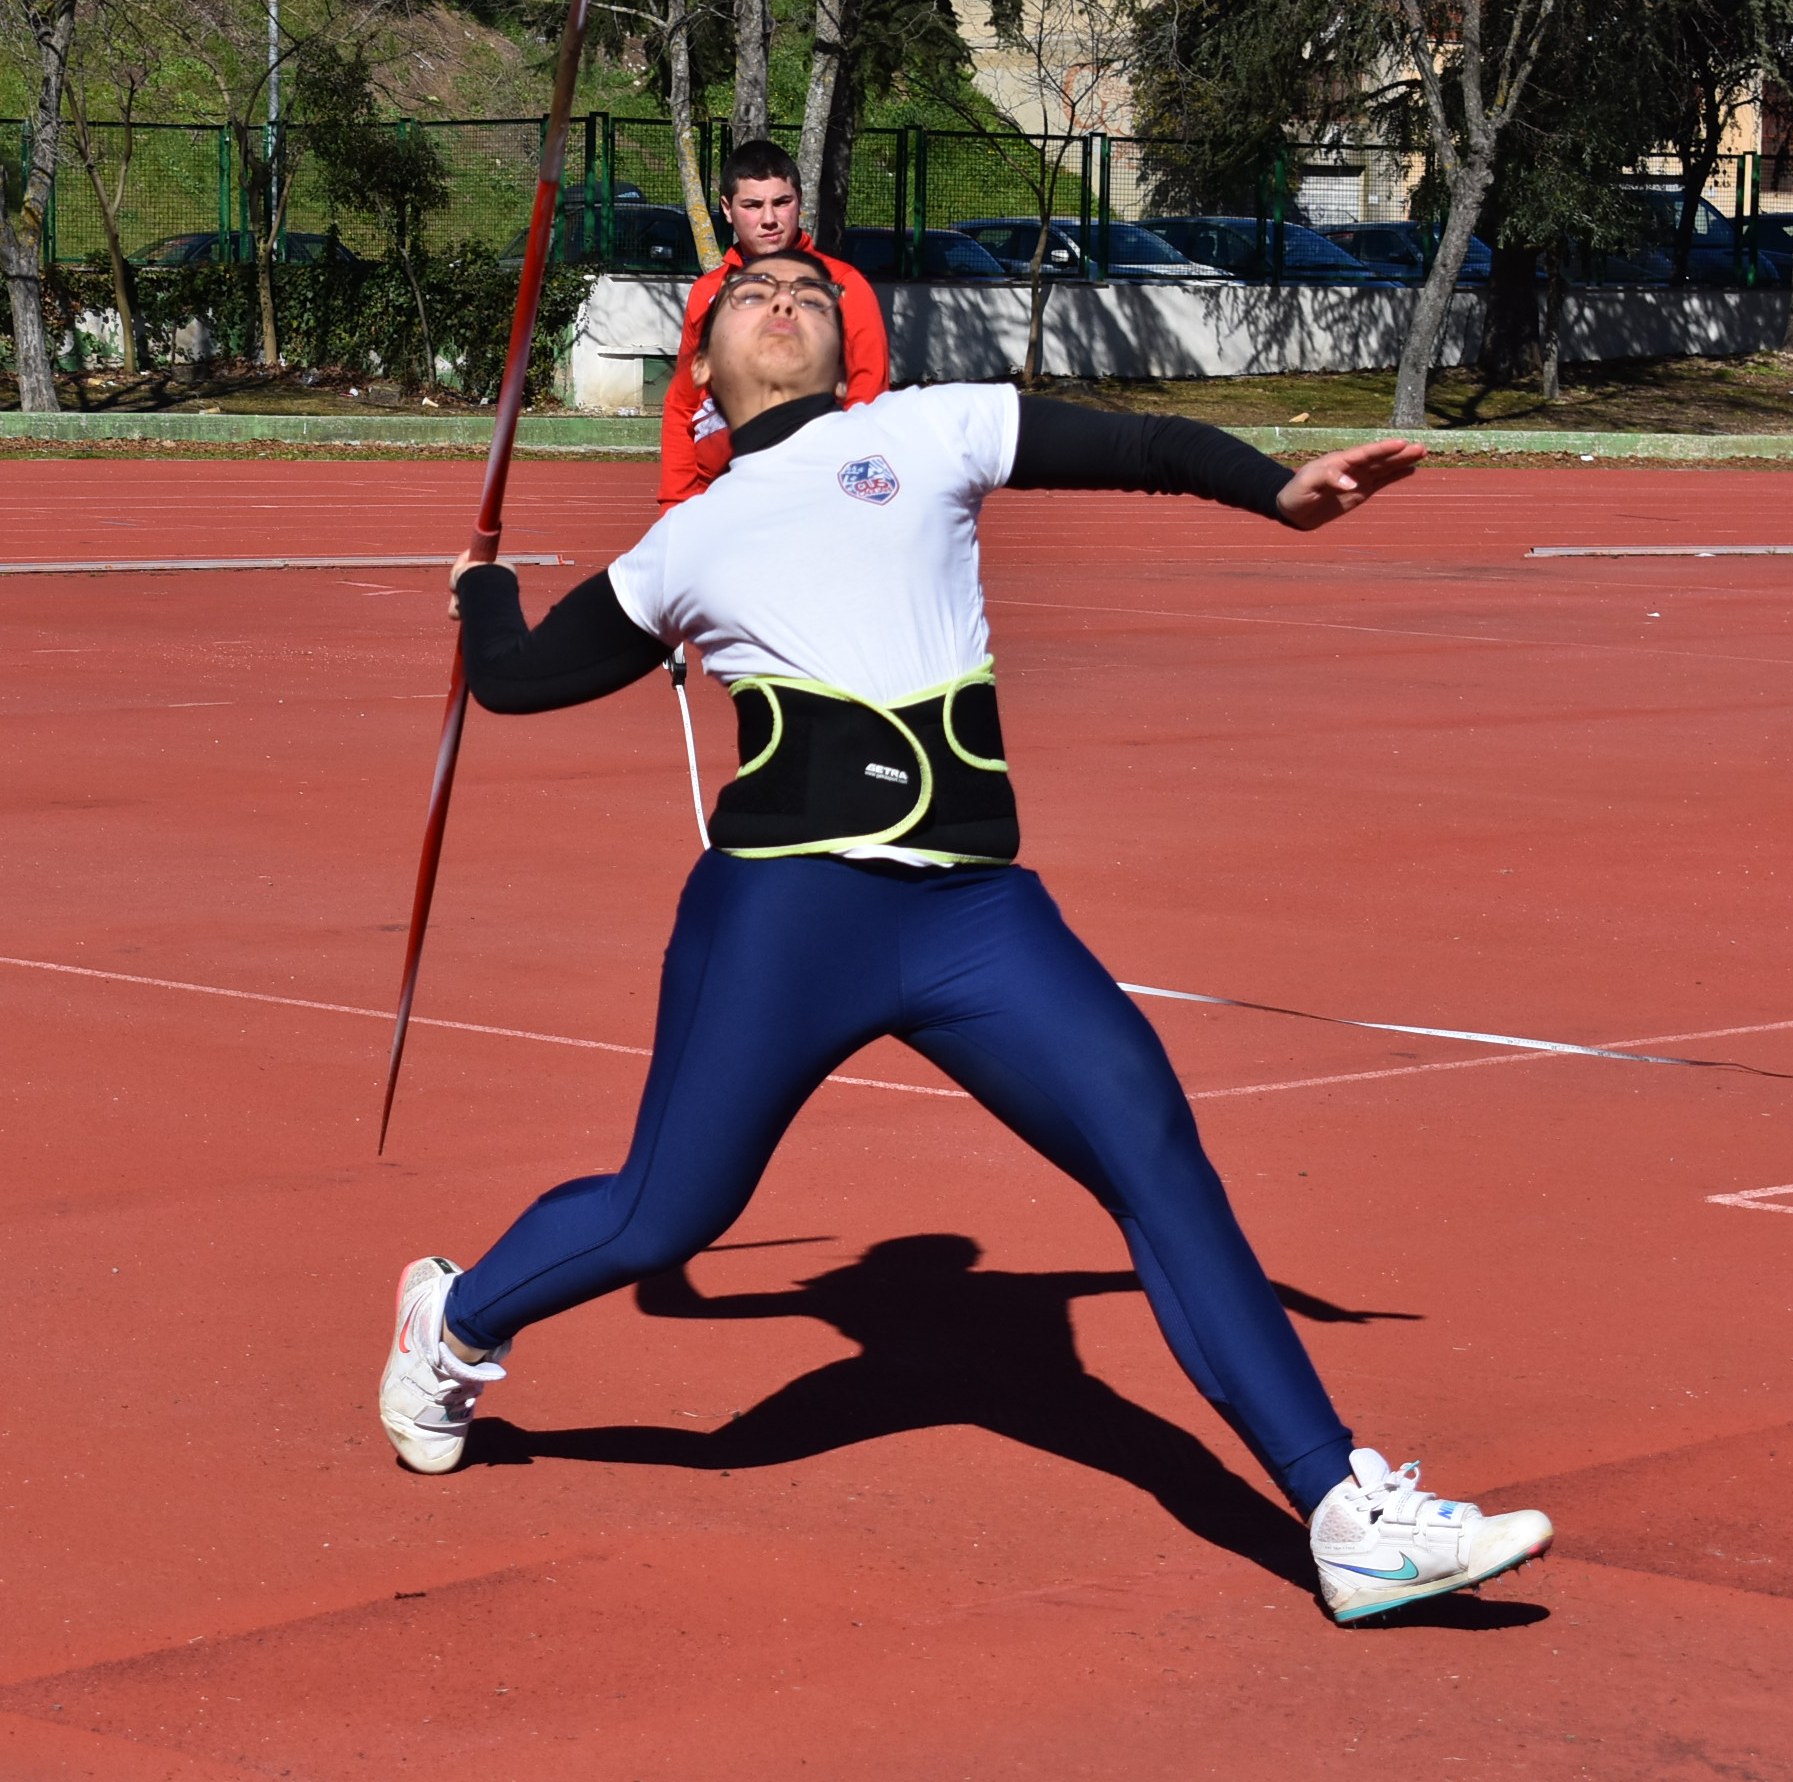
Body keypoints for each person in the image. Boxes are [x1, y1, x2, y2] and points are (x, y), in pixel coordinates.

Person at [383, 248, 1554, 1626]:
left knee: (1153, 1153)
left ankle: (1344, 1511)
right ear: (699, 371)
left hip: (975, 916)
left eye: (809, 292)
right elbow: (518, 681)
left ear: (848, 349)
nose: (783, 300)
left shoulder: (926, 429)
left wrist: (1277, 491)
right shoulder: (687, 541)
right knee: (668, 1213)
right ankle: (455, 1320)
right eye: (751, 295)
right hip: (787, 912)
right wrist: (481, 588)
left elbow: (1143, 446)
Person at [658, 139, 888, 506]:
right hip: (720, 496)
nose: (769, 219)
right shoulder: (708, 292)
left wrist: (841, 499)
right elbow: (683, 405)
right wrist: (676, 505)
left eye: (782, 202)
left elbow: (867, 400)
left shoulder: (843, 286)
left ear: (799, 201)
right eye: (752, 205)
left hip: (810, 496)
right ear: (727, 209)